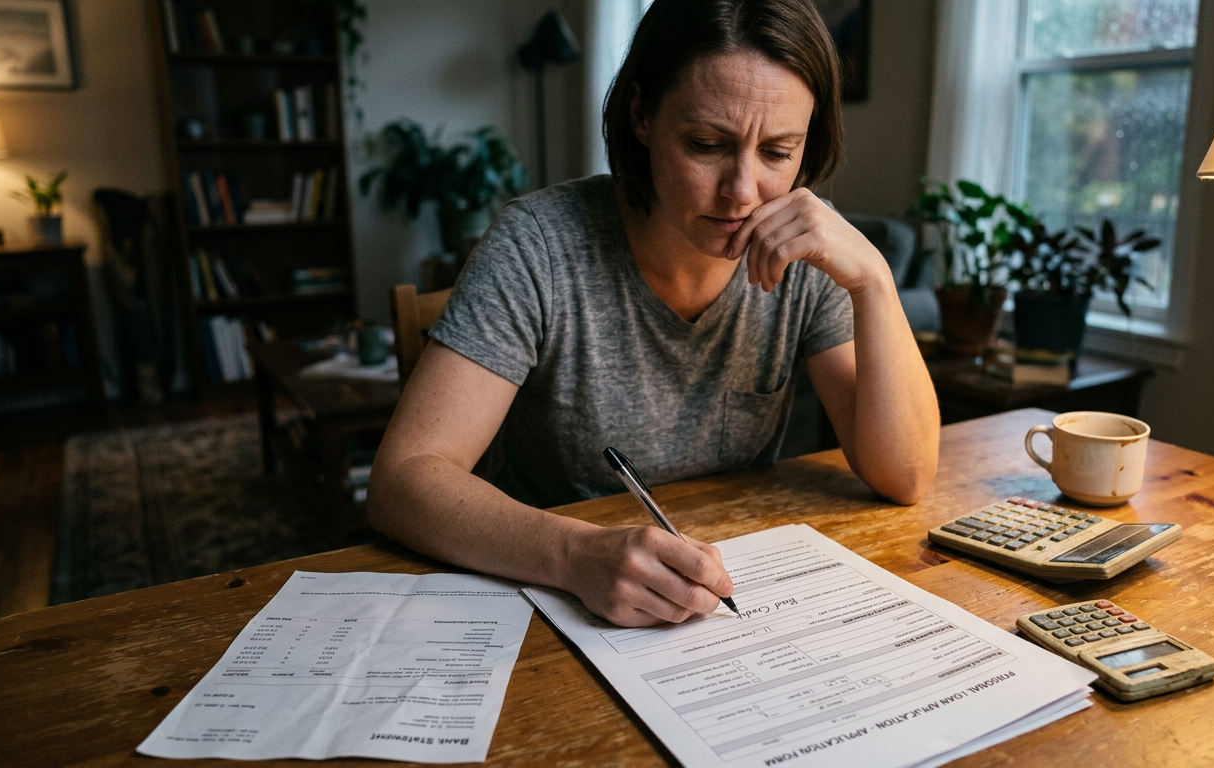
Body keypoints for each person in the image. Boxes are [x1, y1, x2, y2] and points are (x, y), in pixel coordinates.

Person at [368, 0, 939, 628]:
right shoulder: (538, 245)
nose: (743, 191)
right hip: (549, 602)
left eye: (778, 152)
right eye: (706, 145)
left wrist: (874, 283)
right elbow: (402, 481)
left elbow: (905, 475)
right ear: (642, 115)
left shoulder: (801, 249)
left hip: (726, 601)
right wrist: (576, 554)